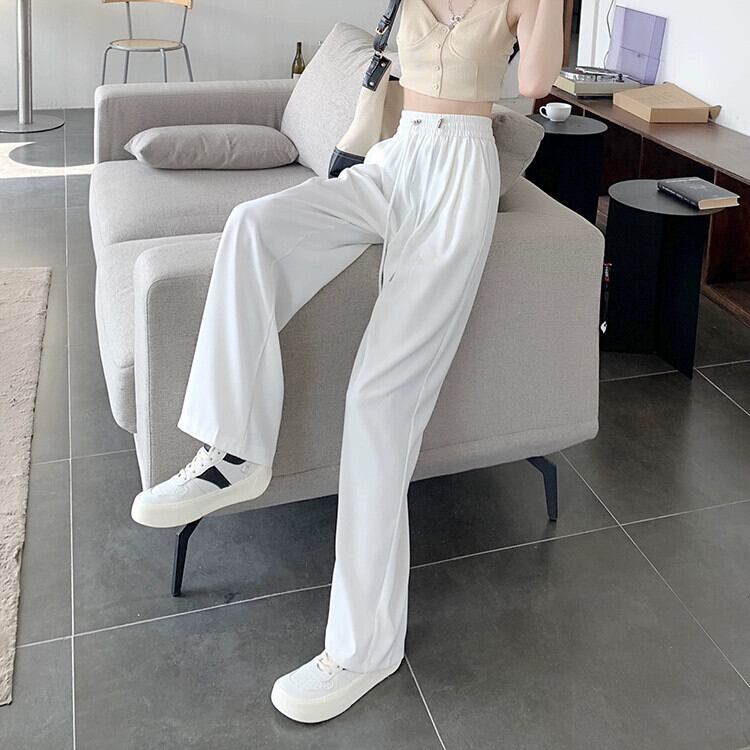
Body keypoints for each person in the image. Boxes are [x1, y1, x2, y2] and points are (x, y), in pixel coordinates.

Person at [130, 0, 564, 724]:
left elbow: (539, 81)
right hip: (395, 161)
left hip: (461, 174)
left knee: (379, 404)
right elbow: (380, 100)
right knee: (254, 226)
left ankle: (364, 648)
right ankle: (234, 450)